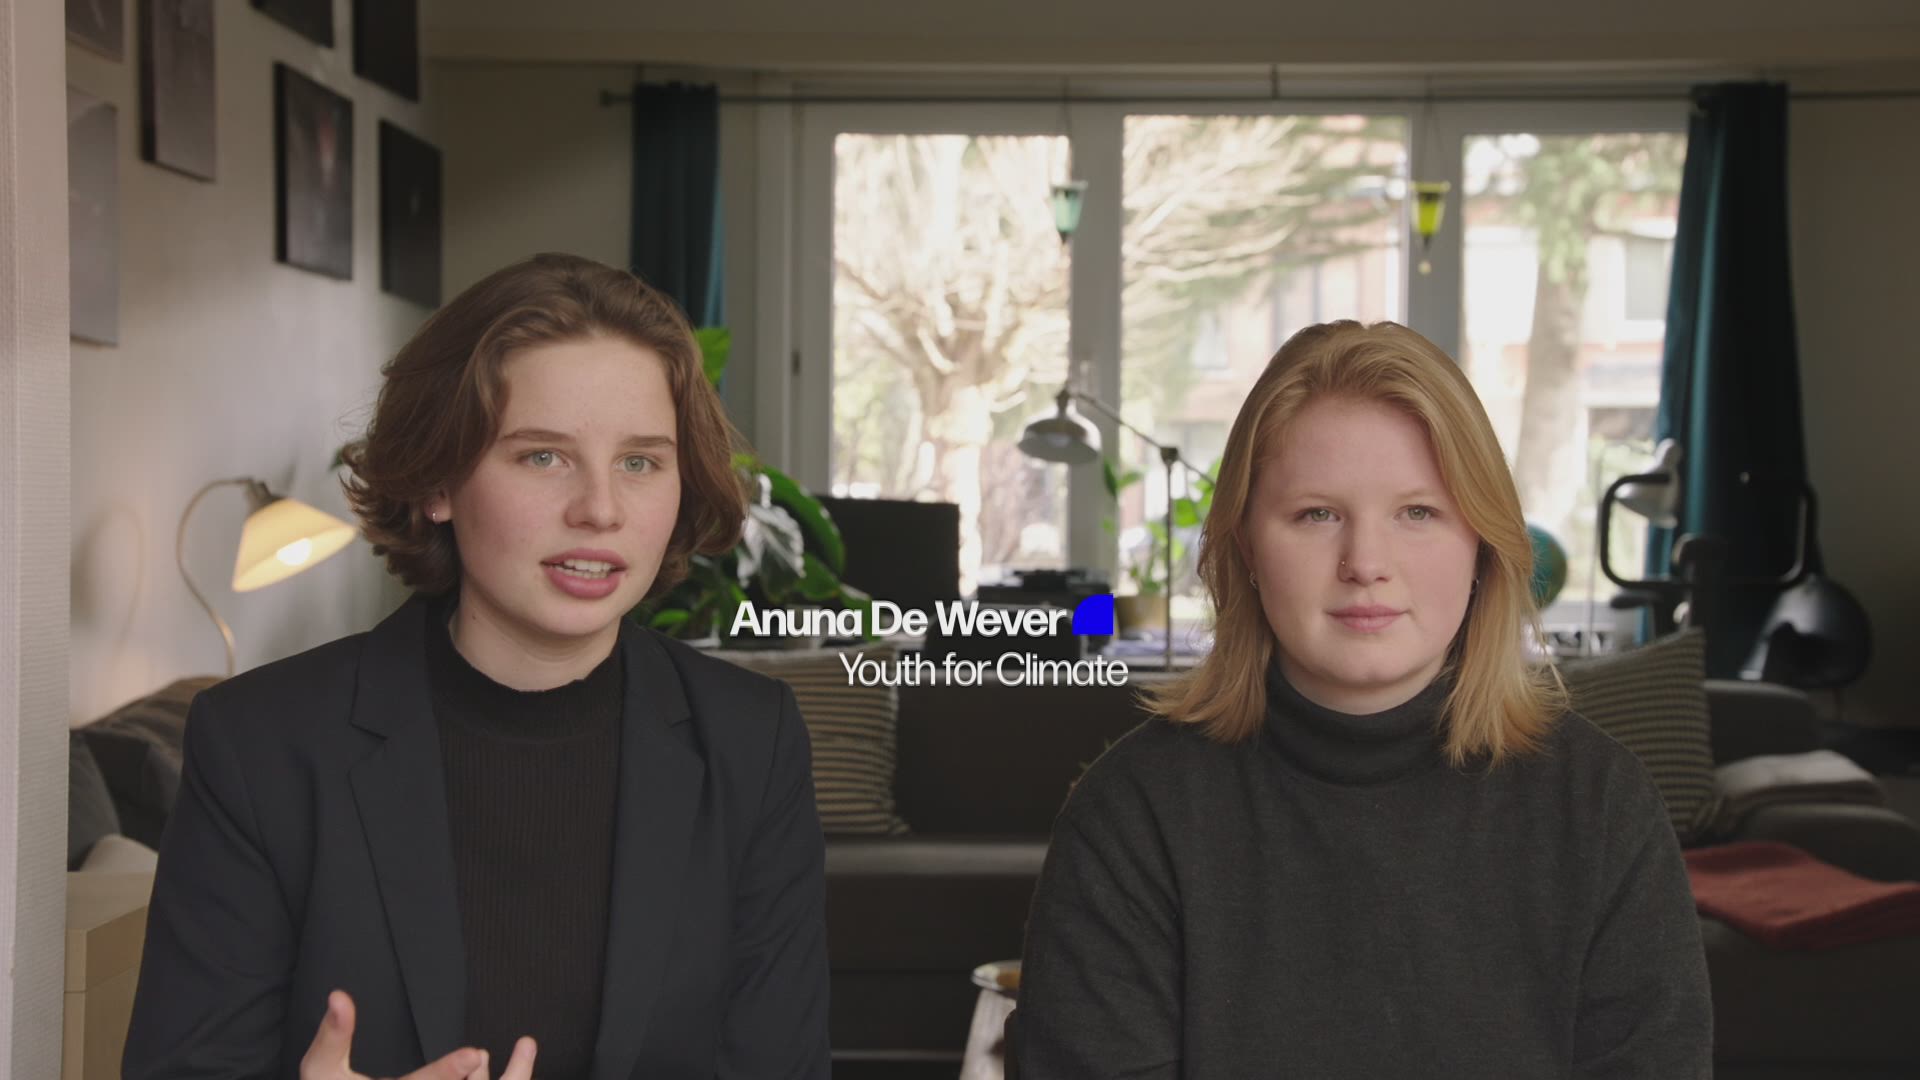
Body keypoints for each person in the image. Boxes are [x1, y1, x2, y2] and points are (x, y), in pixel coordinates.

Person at [125, 254, 831, 1080]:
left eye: (640, 461)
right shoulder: (260, 744)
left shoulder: (751, 741)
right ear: (438, 482)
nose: (600, 509)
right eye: (543, 457)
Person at [1014, 320, 1712, 1077]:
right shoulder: (1132, 814)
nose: (1366, 563)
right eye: (1317, 514)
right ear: (1247, 546)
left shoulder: (1602, 807)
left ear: (1482, 544)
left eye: (1418, 512)